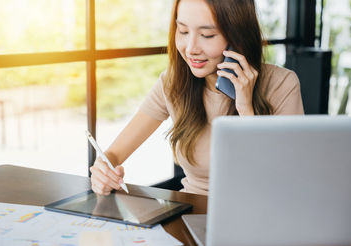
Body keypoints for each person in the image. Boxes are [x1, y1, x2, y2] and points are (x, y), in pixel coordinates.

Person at [90, 0, 304, 196]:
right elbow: (114, 155)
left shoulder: (282, 85)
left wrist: (245, 109)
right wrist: (103, 170)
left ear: (237, 37)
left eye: (207, 35)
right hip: (193, 213)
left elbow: (288, 181)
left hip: (258, 216)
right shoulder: (173, 83)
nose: (190, 49)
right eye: (182, 31)